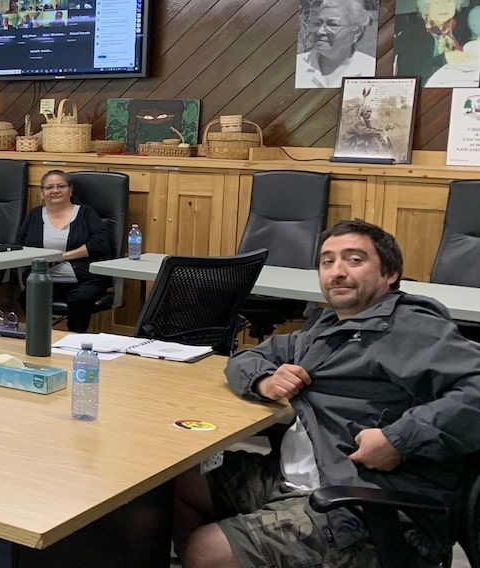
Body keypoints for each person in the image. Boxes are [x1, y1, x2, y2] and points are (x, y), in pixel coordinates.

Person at [172, 220, 480, 568]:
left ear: (390, 273)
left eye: (354, 260)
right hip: (303, 475)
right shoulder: (329, 326)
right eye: (327, 261)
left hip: (367, 505)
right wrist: (265, 381)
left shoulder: (412, 328)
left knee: (206, 551)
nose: (338, 272)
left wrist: (398, 440)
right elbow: (247, 357)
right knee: (180, 482)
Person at [14, 170, 112, 333]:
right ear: (42, 192)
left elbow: (100, 244)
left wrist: (62, 257)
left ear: (70, 190)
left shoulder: (85, 214)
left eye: (61, 186)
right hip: (44, 279)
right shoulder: (35, 215)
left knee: (79, 299)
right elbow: (19, 245)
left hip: (84, 280)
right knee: (28, 297)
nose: (55, 191)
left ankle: (74, 340)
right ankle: (38, 338)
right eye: (49, 187)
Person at [395, 0, 473, 87]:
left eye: (449, 1)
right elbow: (407, 74)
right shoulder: (410, 35)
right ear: (425, 8)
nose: (444, 7)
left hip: (462, 80)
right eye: (437, 3)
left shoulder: (460, 26)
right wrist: (444, 59)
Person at [295, 0, 375, 88]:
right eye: (318, 23)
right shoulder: (298, 65)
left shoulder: (371, 68)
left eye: (333, 24)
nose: (320, 31)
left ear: (356, 32)